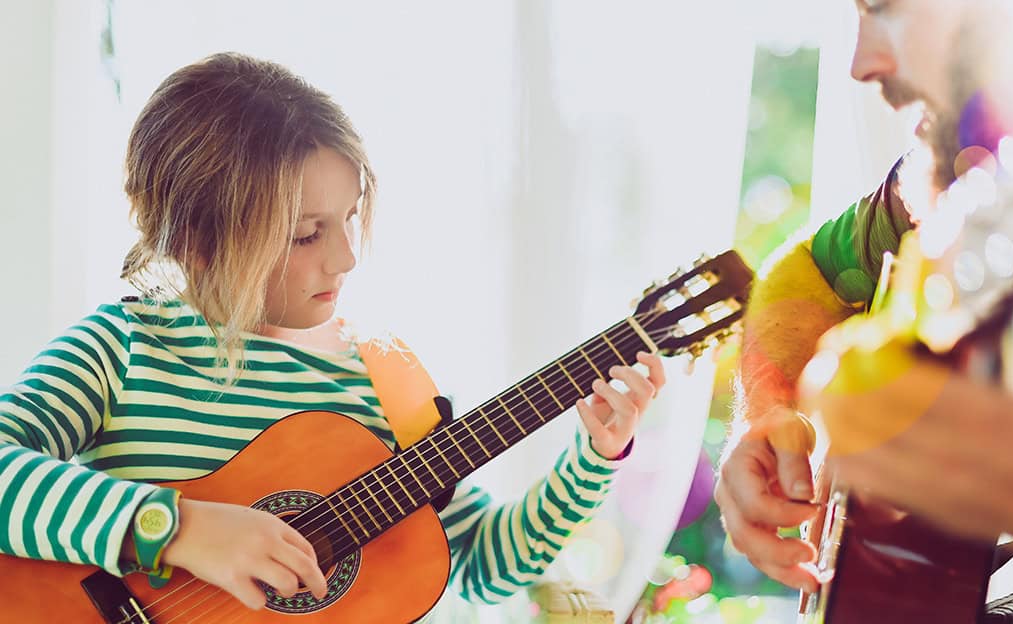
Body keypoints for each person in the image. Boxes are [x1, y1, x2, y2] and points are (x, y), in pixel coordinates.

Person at [0, 52, 667, 614]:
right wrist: (180, 528)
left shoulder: (386, 382)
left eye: (349, 218)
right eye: (305, 234)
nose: (346, 258)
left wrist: (593, 458)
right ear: (198, 240)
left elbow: (480, 564)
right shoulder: (121, 348)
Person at [715, 1, 1013, 622]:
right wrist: (769, 412)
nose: (862, 63)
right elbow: (807, 265)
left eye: (885, 7)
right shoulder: (999, 172)